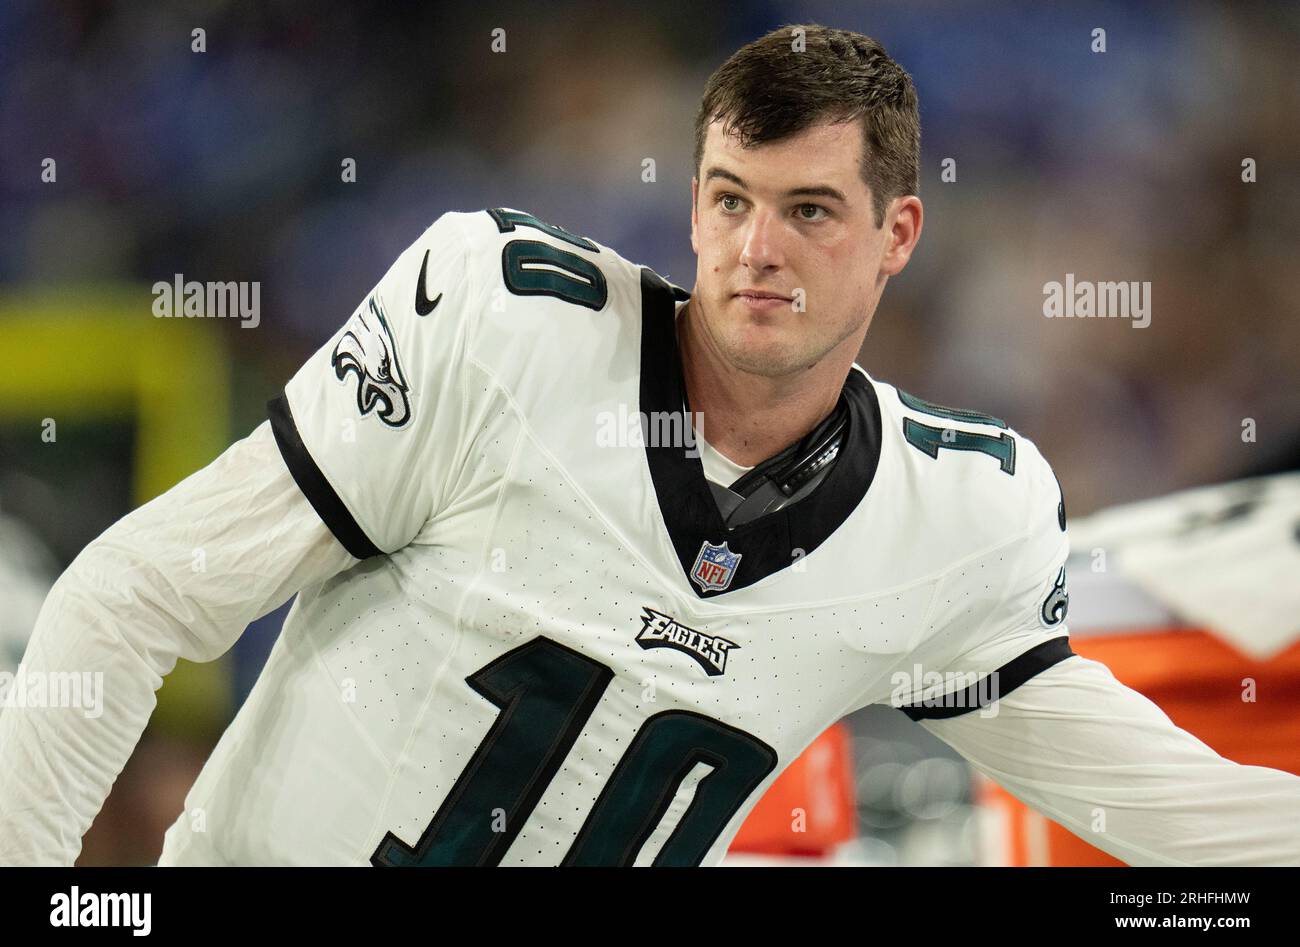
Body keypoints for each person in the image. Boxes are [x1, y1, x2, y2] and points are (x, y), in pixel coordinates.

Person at [2, 24, 1297, 867]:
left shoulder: (955, 519)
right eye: (730, 201)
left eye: (809, 211)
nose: (757, 250)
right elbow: (132, 596)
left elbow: (1174, 811)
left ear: (899, 235)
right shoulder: (501, 329)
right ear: (690, 203)